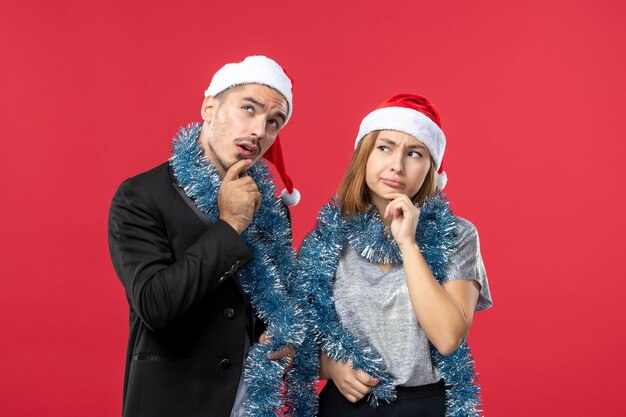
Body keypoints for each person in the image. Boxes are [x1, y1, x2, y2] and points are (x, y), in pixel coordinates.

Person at [108, 55, 306, 417]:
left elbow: (267, 302)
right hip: (174, 402)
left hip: (251, 403)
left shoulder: (272, 210)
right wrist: (230, 226)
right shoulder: (141, 195)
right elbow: (155, 305)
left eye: (273, 122)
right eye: (248, 108)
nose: (260, 130)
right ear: (209, 107)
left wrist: (278, 336)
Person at [296, 94, 493, 417]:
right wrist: (330, 367)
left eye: (414, 153)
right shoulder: (326, 239)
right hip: (347, 404)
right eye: (384, 147)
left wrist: (409, 245)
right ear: (365, 155)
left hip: (425, 405)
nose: (397, 165)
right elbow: (294, 343)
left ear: (430, 168)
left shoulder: (457, 235)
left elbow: (447, 338)